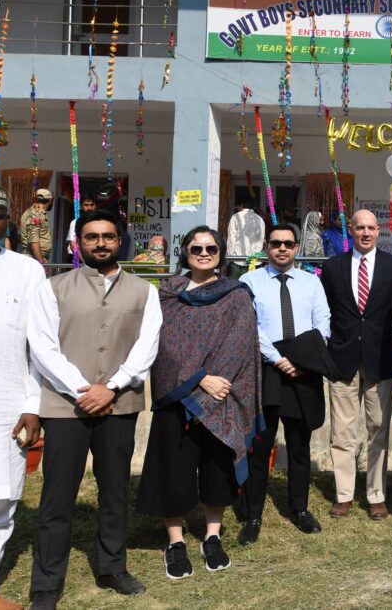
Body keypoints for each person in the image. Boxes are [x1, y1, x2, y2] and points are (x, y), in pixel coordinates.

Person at [26, 209, 161, 607]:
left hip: (118, 406)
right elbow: (43, 345)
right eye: (91, 237)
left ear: (120, 241)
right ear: (77, 243)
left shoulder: (144, 291)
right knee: (56, 497)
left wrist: (113, 387)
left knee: (115, 491)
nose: (100, 243)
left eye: (107, 236)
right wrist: (85, 389)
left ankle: (112, 567)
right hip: (66, 406)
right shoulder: (53, 287)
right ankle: (47, 585)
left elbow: (147, 345)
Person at [137, 226, 263, 579]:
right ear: (185, 252)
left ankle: (212, 536)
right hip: (178, 397)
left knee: (216, 468)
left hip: (220, 396)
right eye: (196, 248)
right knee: (173, 468)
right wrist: (198, 380)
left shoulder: (236, 295)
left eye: (211, 247)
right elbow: (162, 346)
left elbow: (240, 343)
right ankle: (175, 541)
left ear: (221, 252)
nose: (204, 253)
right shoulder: (167, 295)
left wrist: (214, 382)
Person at [239, 224, 331, 542]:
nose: (282, 248)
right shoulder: (249, 282)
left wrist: (304, 358)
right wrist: (278, 359)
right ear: (267, 246)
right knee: (260, 445)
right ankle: (252, 515)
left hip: (303, 370)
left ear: (296, 248)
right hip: (267, 368)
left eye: (288, 244)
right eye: (276, 243)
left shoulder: (311, 282)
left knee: (299, 444)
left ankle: (300, 509)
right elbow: (248, 325)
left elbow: (323, 322)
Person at [320, 209, 392, 520]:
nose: (366, 233)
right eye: (360, 228)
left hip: (381, 359)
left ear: (379, 231)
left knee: (378, 430)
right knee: (341, 433)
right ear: (351, 231)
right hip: (341, 359)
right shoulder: (332, 268)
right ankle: (343, 494)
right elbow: (325, 312)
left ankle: (376, 494)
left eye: (371, 228)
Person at [0, 183, 44, 610]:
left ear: (8, 220)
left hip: (6, 402)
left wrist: (33, 404)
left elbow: (38, 345)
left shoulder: (28, 270)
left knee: (1, 499)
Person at [226, 201, 265, 277]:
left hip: (237, 261)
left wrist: (229, 257)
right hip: (254, 262)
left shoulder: (236, 217)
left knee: (234, 287)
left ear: (242, 205)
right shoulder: (259, 219)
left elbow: (232, 239)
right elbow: (261, 240)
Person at [20, 188, 54, 264]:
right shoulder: (36, 214)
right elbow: (33, 241)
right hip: (34, 258)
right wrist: (41, 263)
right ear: (50, 200)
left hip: (35, 257)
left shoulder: (39, 213)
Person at [65, 195, 96, 260]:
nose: (89, 208)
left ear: (95, 206)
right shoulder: (75, 222)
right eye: (86, 205)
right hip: (77, 258)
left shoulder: (99, 222)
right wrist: (83, 261)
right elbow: (73, 245)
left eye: (92, 205)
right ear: (81, 206)